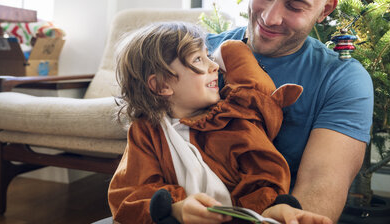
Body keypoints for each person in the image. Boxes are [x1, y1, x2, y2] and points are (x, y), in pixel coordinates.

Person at [206, 0, 374, 222]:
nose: (270, 18)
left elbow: (320, 190)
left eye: (295, 6)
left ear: (325, 10)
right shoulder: (198, 52)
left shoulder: (343, 80)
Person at [108, 21, 332, 224]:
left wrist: (271, 210)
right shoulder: (147, 131)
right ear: (160, 86)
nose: (214, 65)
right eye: (198, 59)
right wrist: (175, 209)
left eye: (208, 55)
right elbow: (129, 193)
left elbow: (263, 175)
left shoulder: (231, 120)